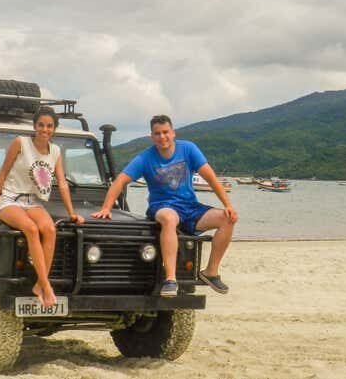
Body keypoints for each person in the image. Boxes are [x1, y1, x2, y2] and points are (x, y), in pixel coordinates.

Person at [91, 114, 238, 297]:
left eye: (165, 132)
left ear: (173, 132)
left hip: (189, 206)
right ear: (152, 136)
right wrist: (106, 208)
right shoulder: (145, 158)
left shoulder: (188, 149)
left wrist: (228, 205)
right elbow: (120, 180)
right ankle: (170, 279)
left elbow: (211, 178)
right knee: (169, 218)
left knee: (228, 218)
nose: (162, 137)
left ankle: (211, 272)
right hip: (162, 206)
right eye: (157, 133)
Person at [0, 107, 84, 308]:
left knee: (49, 229)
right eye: (41, 125)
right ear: (34, 126)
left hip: (33, 201)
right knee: (31, 229)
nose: (45, 130)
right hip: (10, 199)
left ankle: (40, 285)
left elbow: (62, 183)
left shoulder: (55, 151)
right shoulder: (20, 143)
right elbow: (2, 174)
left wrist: (72, 213)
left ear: (54, 129)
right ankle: (46, 286)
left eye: (49, 126)